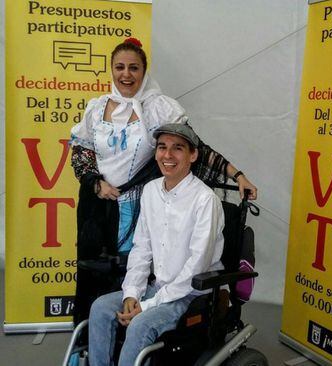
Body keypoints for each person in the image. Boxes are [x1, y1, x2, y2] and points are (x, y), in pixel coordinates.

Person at [70, 37, 257, 324]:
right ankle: (92, 341)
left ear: (144, 72)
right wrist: (96, 182)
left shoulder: (156, 107)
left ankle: (134, 332)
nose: (126, 74)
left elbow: (195, 148)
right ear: (111, 70)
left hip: (134, 206)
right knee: (93, 277)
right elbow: (81, 150)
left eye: (134, 68)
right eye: (119, 67)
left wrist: (237, 175)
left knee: (132, 270)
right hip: (98, 207)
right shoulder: (96, 108)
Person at [88, 123, 225, 366]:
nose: (168, 155)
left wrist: (148, 305)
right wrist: (132, 292)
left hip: (190, 295)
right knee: (100, 308)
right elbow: (142, 247)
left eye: (178, 148)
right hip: (158, 287)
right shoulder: (151, 190)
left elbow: (197, 266)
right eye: (162, 147)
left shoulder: (206, 200)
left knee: (140, 325)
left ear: (193, 155)